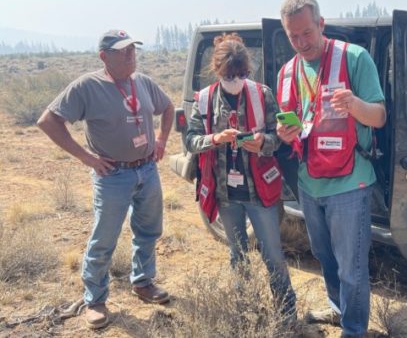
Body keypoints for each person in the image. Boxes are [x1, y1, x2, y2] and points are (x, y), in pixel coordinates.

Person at [37, 29, 174, 329]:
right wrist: (87, 157)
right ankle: (95, 300)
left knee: (149, 231)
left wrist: (162, 140)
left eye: (133, 49)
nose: (130, 55)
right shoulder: (88, 86)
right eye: (123, 51)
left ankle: (143, 282)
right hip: (113, 175)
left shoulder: (144, 82)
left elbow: (168, 108)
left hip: (147, 169)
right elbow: (48, 121)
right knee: (105, 238)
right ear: (104, 56)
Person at [276, 0, 386, 337]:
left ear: (321, 24)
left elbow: (379, 117)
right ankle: (339, 309)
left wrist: (354, 104)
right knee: (325, 257)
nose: (302, 42)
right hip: (310, 184)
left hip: (349, 184)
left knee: (352, 268)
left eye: (307, 32)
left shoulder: (354, 58)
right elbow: (289, 126)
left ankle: (354, 330)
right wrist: (285, 132)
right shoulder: (287, 72)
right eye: (294, 37)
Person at [185, 33, 296, 320]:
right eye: (229, 75)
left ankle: (287, 315)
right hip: (226, 194)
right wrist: (215, 139)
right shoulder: (205, 98)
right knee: (238, 256)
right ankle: (246, 312)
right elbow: (191, 140)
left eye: (241, 75)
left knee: (273, 256)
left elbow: (279, 136)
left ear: (248, 70)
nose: (235, 81)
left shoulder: (262, 94)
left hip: (260, 192)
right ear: (217, 71)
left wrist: (263, 142)